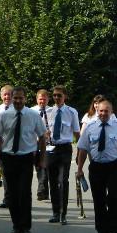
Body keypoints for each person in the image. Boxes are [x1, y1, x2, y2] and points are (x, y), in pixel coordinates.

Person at [0, 86, 46, 233]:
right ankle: (16, 225)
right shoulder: (4, 115)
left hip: (26, 158)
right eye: (15, 98)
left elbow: (42, 137)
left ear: (25, 98)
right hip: (8, 158)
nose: (17, 101)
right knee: (11, 193)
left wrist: (42, 159)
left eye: (20, 98)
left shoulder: (33, 115)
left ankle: (26, 227)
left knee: (24, 192)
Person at [76, 99, 117, 233]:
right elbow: (83, 149)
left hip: (113, 166)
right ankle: (101, 230)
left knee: (113, 198)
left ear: (111, 112)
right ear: (97, 111)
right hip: (96, 166)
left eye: (106, 111)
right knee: (98, 199)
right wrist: (79, 169)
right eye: (101, 111)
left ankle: (113, 230)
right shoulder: (90, 127)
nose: (103, 113)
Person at [45, 85, 80, 224]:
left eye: (59, 95)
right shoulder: (48, 112)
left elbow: (77, 133)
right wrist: (45, 135)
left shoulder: (71, 112)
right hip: (51, 148)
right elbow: (42, 132)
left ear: (65, 96)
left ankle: (63, 213)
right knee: (52, 181)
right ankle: (55, 212)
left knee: (63, 180)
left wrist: (79, 152)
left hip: (65, 148)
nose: (56, 98)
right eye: (54, 95)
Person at [0, 84, 14, 208]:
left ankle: (13, 198)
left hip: (12, 145)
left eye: (9, 94)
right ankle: (7, 198)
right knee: (5, 173)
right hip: (0, 144)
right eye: (5, 95)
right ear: (1, 96)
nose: (7, 97)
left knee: (13, 174)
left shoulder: (17, 109)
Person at [30, 89, 51, 201]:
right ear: (37, 99)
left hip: (48, 143)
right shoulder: (31, 111)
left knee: (44, 165)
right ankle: (43, 191)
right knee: (39, 166)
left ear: (48, 99)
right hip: (34, 142)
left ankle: (42, 190)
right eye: (40, 99)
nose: (42, 101)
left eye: (44, 99)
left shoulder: (52, 111)